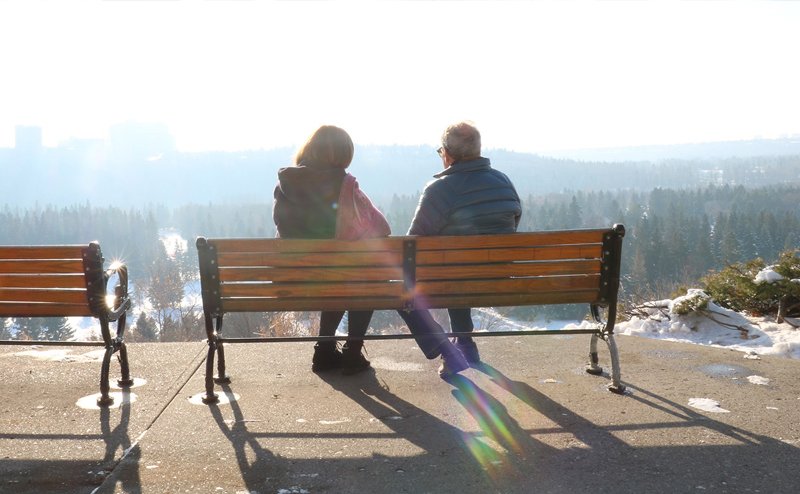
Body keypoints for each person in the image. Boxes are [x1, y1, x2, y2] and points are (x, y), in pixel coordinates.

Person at [273, 125, 390, 375]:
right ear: (343, 154)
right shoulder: (346, 185)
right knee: (367, 275)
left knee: (335, 271)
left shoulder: (285, 184)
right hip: (340, 274)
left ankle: (324, 350)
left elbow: (283, 228)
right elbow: (381, 227)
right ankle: (352, 351)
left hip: (297, 278)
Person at [407, 121, 522, 366]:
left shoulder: (440, 189)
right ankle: (465, 345)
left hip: (456, 279)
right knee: (461, 267)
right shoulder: (503, 181)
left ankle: (447, 347)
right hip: (500, 277)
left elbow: (413, 246)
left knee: (403, 280)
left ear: (447, 155)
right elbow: (514, 223)